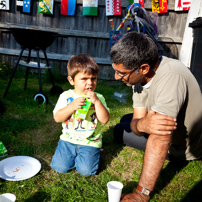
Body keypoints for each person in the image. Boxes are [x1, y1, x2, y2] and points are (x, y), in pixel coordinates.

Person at [110, 31, 202, 201]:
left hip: (184, 148)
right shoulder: (138, 78)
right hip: (167, 127)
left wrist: (140, 195)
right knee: (126, 121)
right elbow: (138, 120)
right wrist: (141, 125)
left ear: (144, 68)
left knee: (119, 130)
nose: (117, 77)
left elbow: (161, 138)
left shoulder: (171, 76)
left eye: (121, 73)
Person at [50, 54, 110, 176]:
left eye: (93, 78)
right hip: (68, 140)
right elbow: (57, 118)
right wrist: (71, 107)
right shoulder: (65, 97)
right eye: (84, 79)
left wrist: (97, 103)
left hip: (90, 141)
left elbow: (105, 120)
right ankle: (67, 154)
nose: (90, 83)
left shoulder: (99, 98)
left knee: (86, 171)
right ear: (71, 80)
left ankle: (96, 154)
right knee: (60, 167)